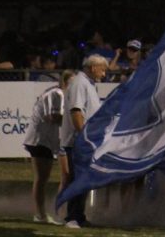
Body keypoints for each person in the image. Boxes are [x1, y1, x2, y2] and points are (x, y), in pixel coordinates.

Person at [60, 55, 108, 229]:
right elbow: (76, 112)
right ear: (93, 67)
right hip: (78, 141)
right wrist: (84, 136)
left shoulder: (88, 84)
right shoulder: (80, 83)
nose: (104, 74)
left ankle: (79, 216)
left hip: (85, 140)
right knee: (77, 179)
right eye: (102, 70)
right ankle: (72, 217)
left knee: (84, 179)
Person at [24, 69, 72, 224]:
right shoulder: (56, 94)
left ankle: (60, 211)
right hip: (40, 140)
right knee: (42, 178)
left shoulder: (67, 97)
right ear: (65, 83)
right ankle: (40, 214)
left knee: (67, 175)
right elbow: (53, 117)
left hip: (56, 140)